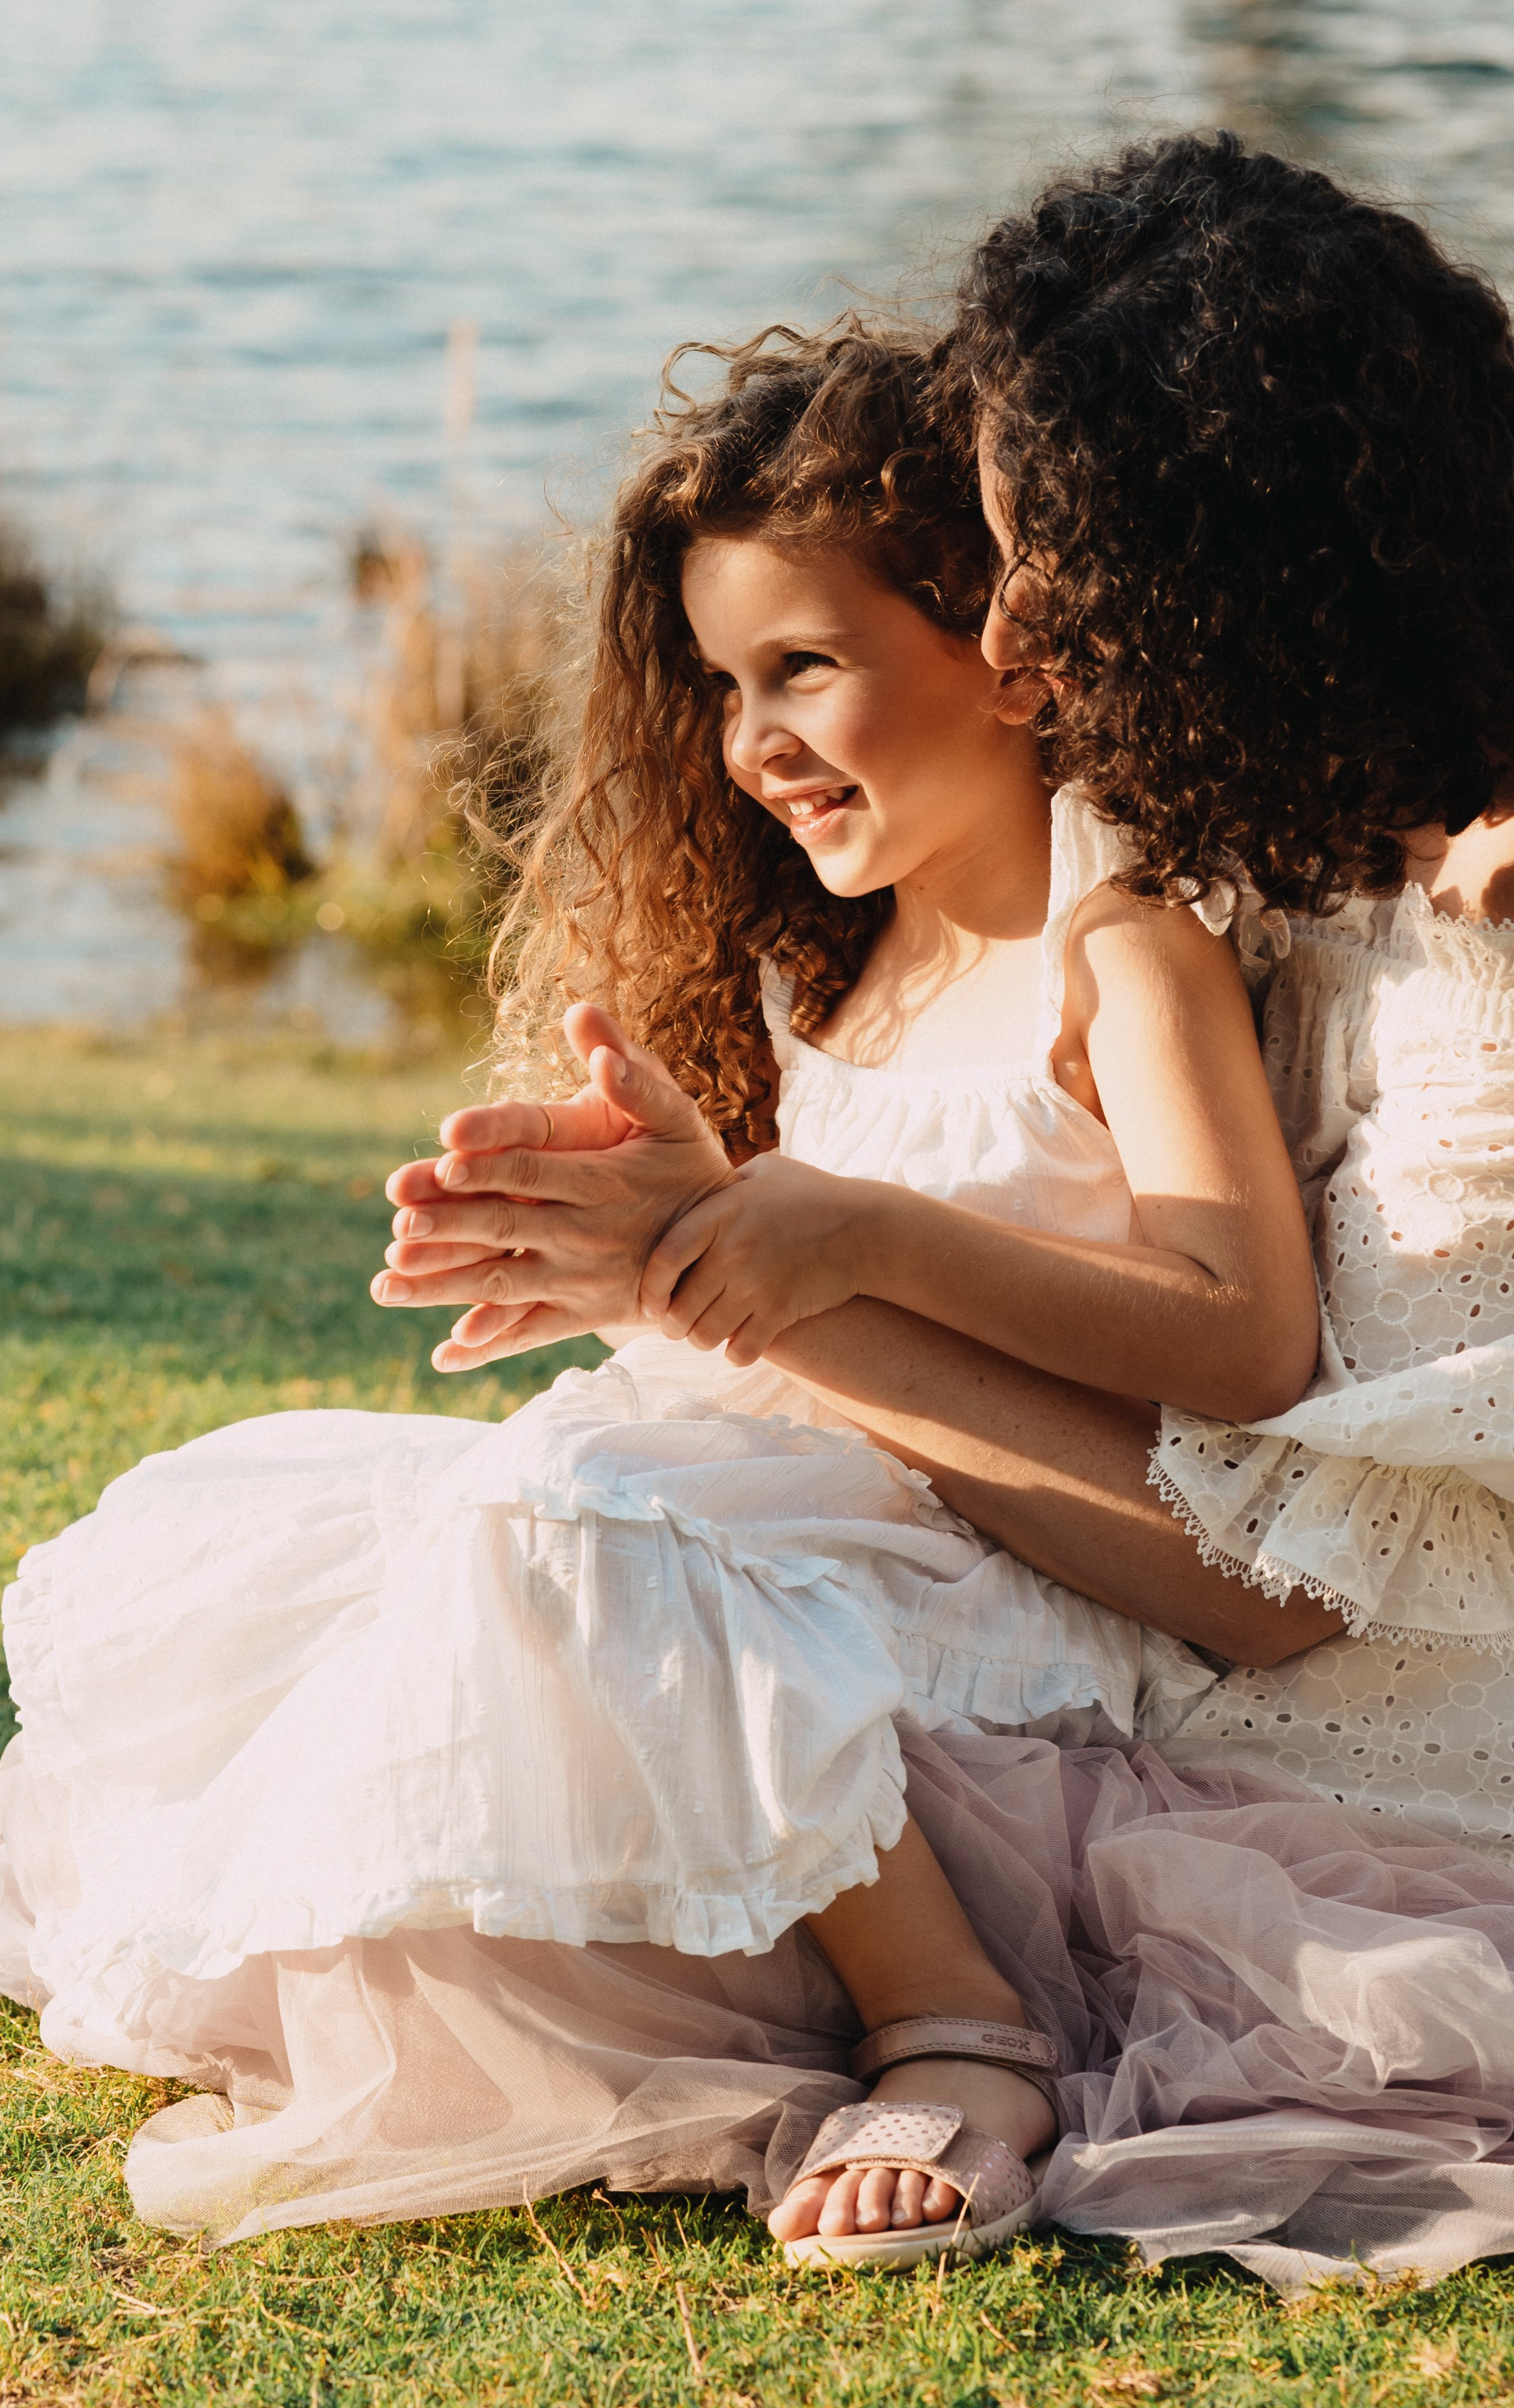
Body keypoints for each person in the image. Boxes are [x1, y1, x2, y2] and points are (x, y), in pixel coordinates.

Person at [0, 313, 1316, 2270]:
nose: (755, 742)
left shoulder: (1126, 949)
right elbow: (780, 1319)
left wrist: (838, 1233)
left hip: (985, 1583)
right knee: (325, 1511)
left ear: (1008, 646)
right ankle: (143, 1814)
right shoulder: (824, 978)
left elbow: (1247, 1336)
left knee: (588, 1529)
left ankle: (956, 2026)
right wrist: (649, 1257)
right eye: (730, 685)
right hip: (759, 1511)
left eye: (807, 665)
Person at [375, 136, 1514, 2287]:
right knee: (517, 1594)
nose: (1028, 635)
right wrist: (731, 1260)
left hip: (1316, 1773)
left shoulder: (1427, 955)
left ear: (1216, 554)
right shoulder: (1326, 833)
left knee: (615, 1558)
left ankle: (954, 2028)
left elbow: (1289, 1589)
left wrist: (797, 1274)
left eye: (1043, 559)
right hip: (1115, 1619)